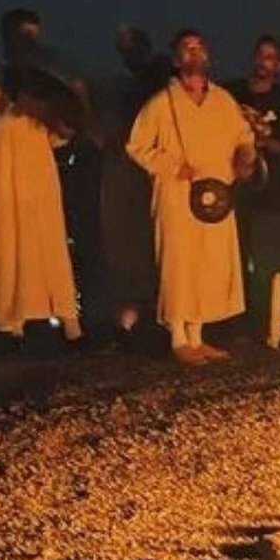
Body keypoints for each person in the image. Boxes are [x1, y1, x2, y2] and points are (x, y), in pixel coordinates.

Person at [126, 29, 256, 366]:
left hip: (217, 196)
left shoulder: (224, 101)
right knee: (179, 262)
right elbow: (137, 146)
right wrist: (171, 166)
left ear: (208, 56)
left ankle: (198, 337)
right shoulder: (160, 104)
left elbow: (244, 137)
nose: (194, 53)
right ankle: (178, 338)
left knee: (208, 263)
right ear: (176, 59)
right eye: (187, 48)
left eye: (200, 47)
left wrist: (244, 157)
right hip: (177, 192)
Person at [0, 8, 83, 342]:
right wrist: (10, 110)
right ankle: (12, 323)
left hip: (39, 172)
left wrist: (65, 126)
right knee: (10, 246)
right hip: (3, 174)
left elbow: (52, 134)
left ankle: (67, 317)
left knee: (50, 242)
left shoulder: (43, 77)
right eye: (24, 35)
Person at [224, 34, 280, 332]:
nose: (263, 62)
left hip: (270, 191)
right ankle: (231, 319)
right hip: (233, 186)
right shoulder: (230, 93)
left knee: (267, 259)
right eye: (260, 55)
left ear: (279, 65)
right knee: (233, 255)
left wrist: (263, 138)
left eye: (270, 57)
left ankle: (264, 321)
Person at [96, 26, 171, 335]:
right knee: (128, 245)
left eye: (132, 48)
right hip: (123, 175)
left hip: (149, 173)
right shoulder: (122, 89)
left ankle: (156, 311)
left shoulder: (159, 81)